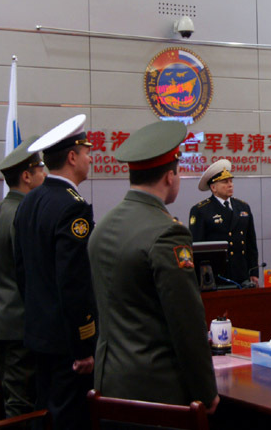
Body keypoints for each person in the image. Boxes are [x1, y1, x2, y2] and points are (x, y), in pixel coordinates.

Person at [88, 121, 219, 412]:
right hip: (157, 391)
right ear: (170, 177)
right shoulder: (167, 233)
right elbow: (186, 323)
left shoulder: (102, 227)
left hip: (108, 383)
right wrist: (207, 392)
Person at [14, 115, 96, 430]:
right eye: (86, 152)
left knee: (44, 411)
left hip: (38, 332)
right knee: (69, 418)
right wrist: (83, 345)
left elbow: (21, 271)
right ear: (72, 157)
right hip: (67, 342)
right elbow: (74, 282)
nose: (90, 159)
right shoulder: (73, 206)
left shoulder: (29, 201)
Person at [0, 136, 45, 418]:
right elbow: (31, 274)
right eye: (40, 169)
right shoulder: (25, 213)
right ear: (26, 176)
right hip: (21, 324)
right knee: (22, 404)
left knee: (13, 395)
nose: (45, 175)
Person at [189, 159, 260, 287]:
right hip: (216, 276)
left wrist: (254, 271)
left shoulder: (243, 207)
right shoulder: (201, 210)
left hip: (242, 273)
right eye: (225, 182)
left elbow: (251, 243)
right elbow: (197, 249)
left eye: (231, 181)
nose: (230, 185)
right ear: (213, 187)